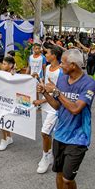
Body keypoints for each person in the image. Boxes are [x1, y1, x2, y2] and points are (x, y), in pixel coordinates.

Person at [38, 49, 95, 189]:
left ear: (73, 65)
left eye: (63, 63)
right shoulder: (62, 78)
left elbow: (75, 109)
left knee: (67, 178)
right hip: (60, 135)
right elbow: (58, 106)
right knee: (58, 174)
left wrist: (55, 91)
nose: (60, 65)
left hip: (78, 138)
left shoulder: (89, 83)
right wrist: (45, 93)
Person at [33, 45, 62, 174]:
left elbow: (58, 92)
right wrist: (38, 79)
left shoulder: (61, 71)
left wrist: (41, 100)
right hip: (46, 106)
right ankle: (49, 155)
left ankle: (45, 158)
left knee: (44, 133)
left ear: (54, 55)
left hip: (54, 107)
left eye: (48, 53)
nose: (46, 55)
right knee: (48, 134)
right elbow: (47, 86)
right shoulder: (49, 68)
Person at [0, 56, 16, 150]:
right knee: (2, 119)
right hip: (2, 99)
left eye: (4, 64)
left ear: (11, 65)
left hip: (9, 101)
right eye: (2, 63)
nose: (2, 65)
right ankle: (8, 137)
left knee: (4, 119)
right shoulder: (2, 73)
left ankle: (4, 140)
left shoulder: (14, 74)